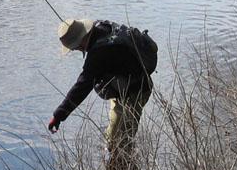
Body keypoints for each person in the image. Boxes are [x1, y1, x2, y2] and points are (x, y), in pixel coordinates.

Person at [47, 18, 157, 154]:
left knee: (123, 142)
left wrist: (59, 115)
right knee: (111, 140)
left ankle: (125, 167)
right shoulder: (100, 26)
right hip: (122, 87)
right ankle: (114, 163)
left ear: (80, 43)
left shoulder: (99, 54)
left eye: (74, 47)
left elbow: (81, 87)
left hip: (137, 92)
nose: (75, 50)